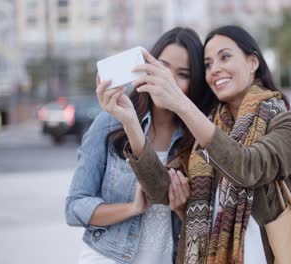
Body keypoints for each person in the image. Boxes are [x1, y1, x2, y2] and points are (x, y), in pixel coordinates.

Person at [129, 25, 291, 263]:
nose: (215, 69)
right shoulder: (206, 125)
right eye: (208, 64)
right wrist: (129, 122)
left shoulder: (289, 124)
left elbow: (246, 167)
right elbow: (162, 191)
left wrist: (181, 105)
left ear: (253, 62)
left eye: (225, 57)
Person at [65, 27, 216, 264]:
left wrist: (181, 207)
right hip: (109, 258)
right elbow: (75, 207)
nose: (167, 80)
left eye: (182, 74)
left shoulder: (198, 133)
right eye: (162, 67)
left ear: (195, 82)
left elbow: (206, 219)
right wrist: (132, 208)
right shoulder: (111, 120)